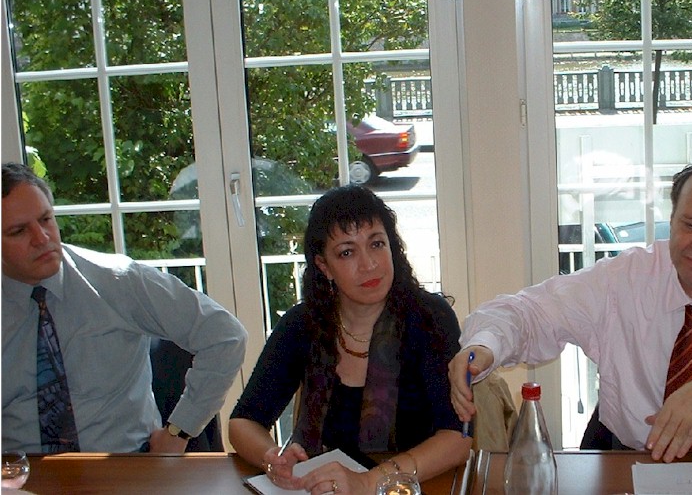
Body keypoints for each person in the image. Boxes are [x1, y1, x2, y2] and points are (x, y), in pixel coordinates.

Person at [449, 157, 692, 468]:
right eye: (690, 225)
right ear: (673, 215)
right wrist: (486, 345)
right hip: (628, 459)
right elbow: (529, 313)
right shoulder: (626, 279)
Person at [230, 184, 471, 494]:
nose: (368, 264)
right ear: (323, 266)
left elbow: (458, 438)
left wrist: (371, 481)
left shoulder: (429, 318)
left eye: (376, 244)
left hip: (414, 487)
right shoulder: (303, 324)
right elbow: (243, 421)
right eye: (347, 252)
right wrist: (271, 458)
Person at [2, 162, 248, 454]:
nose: (42, 238)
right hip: (21, 474)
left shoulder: (116, 280)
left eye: (46, 219)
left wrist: (179, 431)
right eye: (19, 231)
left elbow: (226, 335)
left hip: (125, 465)